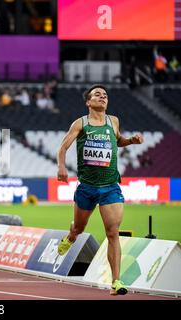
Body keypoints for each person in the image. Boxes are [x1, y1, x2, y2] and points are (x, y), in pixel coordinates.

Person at [56, 84, 143, 296]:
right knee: (79, 228)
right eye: (97, 95)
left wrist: (130, 141)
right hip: (86, 186)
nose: (102, 97)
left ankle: (116, 282)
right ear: (88, 102)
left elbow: (118, 140)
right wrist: (61, 166)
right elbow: (63, 146)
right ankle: (71, 236)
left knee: (113, 233)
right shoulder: (81, 123)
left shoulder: (113, 121)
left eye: (105, 95)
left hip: (111, 186)